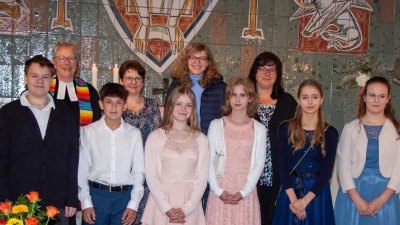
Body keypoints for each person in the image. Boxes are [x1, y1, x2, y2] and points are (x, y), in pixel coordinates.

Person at [0, 55, 79, 224]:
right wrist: (3, 200)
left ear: (52, 79)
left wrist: (72, 197)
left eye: (45, 77)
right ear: (25, 77)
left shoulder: (64, 113)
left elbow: (73, 157)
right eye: (34, 76)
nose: (39, 81)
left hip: (58, 202)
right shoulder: (8, 113)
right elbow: (1, 159)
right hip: (19, 202)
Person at [165, 42, 226, 210]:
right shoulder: (176, 86)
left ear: (208, 62)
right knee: (187, 190)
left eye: (202, 58)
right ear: (186, 60)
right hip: (183, 145)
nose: (197, 62)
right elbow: (168, 119)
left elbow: (225, 120)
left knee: (206, 189)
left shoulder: (219, 87)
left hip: (209, 145)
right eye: (193, 57)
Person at [334, 77, 400, 225]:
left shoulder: (396, 131)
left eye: (381, 96)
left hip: (385, 196)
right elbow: (343, 166)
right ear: (364, 96)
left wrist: (382, 200)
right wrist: (357, 200)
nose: (376, 100)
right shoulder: (350, 128)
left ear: (388, 98)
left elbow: (399, 168)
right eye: (372, 95)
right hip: (354, 194)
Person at [272, 79, 338, 225]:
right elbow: (281, 167)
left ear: (321, 100)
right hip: (290, 191)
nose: (310, 102)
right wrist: (295, 200)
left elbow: (327, 173)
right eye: (305, 97)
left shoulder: (330, 133)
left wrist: (305, 201)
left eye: (314, 97)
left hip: (316, 194)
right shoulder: (286, 128)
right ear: (299, 100)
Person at [141, 86, 210, 225]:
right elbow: (151, 175)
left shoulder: (202, 139)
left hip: (190, 204)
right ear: (171, 106)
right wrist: (166, 208)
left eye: (188, 105)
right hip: (160, 204)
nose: (183, 108)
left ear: (193, 109)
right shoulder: (155, 137)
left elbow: (202, 179)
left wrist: (187, 208)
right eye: (179, 104)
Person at [78, 83, 145, 225]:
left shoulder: (133, 134)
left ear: (125, 106)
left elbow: (139, 171)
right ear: (101, 104)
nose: (114, 107)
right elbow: (82, 169)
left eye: (118, 102)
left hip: (124, 198)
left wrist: (133, 204)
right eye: (109, 102)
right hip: (97, 196)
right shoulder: (89, 132)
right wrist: (86, 202)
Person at [206, 77, 266, 224]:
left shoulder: (259, 129)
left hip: (246, 192)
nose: (237, 99)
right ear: (228, 97)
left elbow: (259, 162)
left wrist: (244, 192)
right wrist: (218, 191)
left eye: (242, 95)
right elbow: (207, 161)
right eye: (234, 94)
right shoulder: (216, 125)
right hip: (220, 190)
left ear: (250, 98)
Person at [248, 51, 297, 225]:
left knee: (274, 217)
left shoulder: (288, 102)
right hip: (249, 171)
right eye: (262, 68)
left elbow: (295, 139)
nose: (267, 73)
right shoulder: (244, 99)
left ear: (278, 74)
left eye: (272, 69)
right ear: (254, 72)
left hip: (278, 171)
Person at [119, 60, 162, 224]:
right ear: (122, 80)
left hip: (147, 168)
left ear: (143, 82)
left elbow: (159, 135)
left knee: (144, 216)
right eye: (129, 78)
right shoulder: (117, 105)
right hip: (123, 170)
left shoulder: (151, 105)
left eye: (138, 78)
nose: (133, 82)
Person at [50, 41, 102, 128]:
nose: (67, 63)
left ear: (77, 63)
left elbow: (97, 124)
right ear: (54, 63)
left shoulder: (90, 91)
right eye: (62, 58)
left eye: (71, 58)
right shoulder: (45, 89)